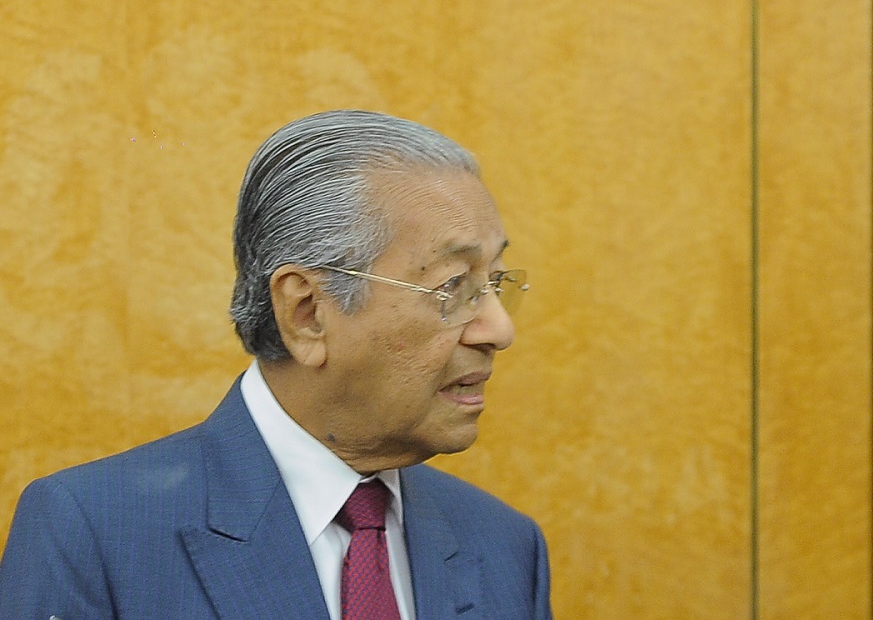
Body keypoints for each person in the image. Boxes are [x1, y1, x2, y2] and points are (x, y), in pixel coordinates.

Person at [0, 110, 552, 619]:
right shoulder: (96, 532)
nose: (500, 330)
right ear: (306, 312)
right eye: (454, 287)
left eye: (496, 281)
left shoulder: (505, 546)